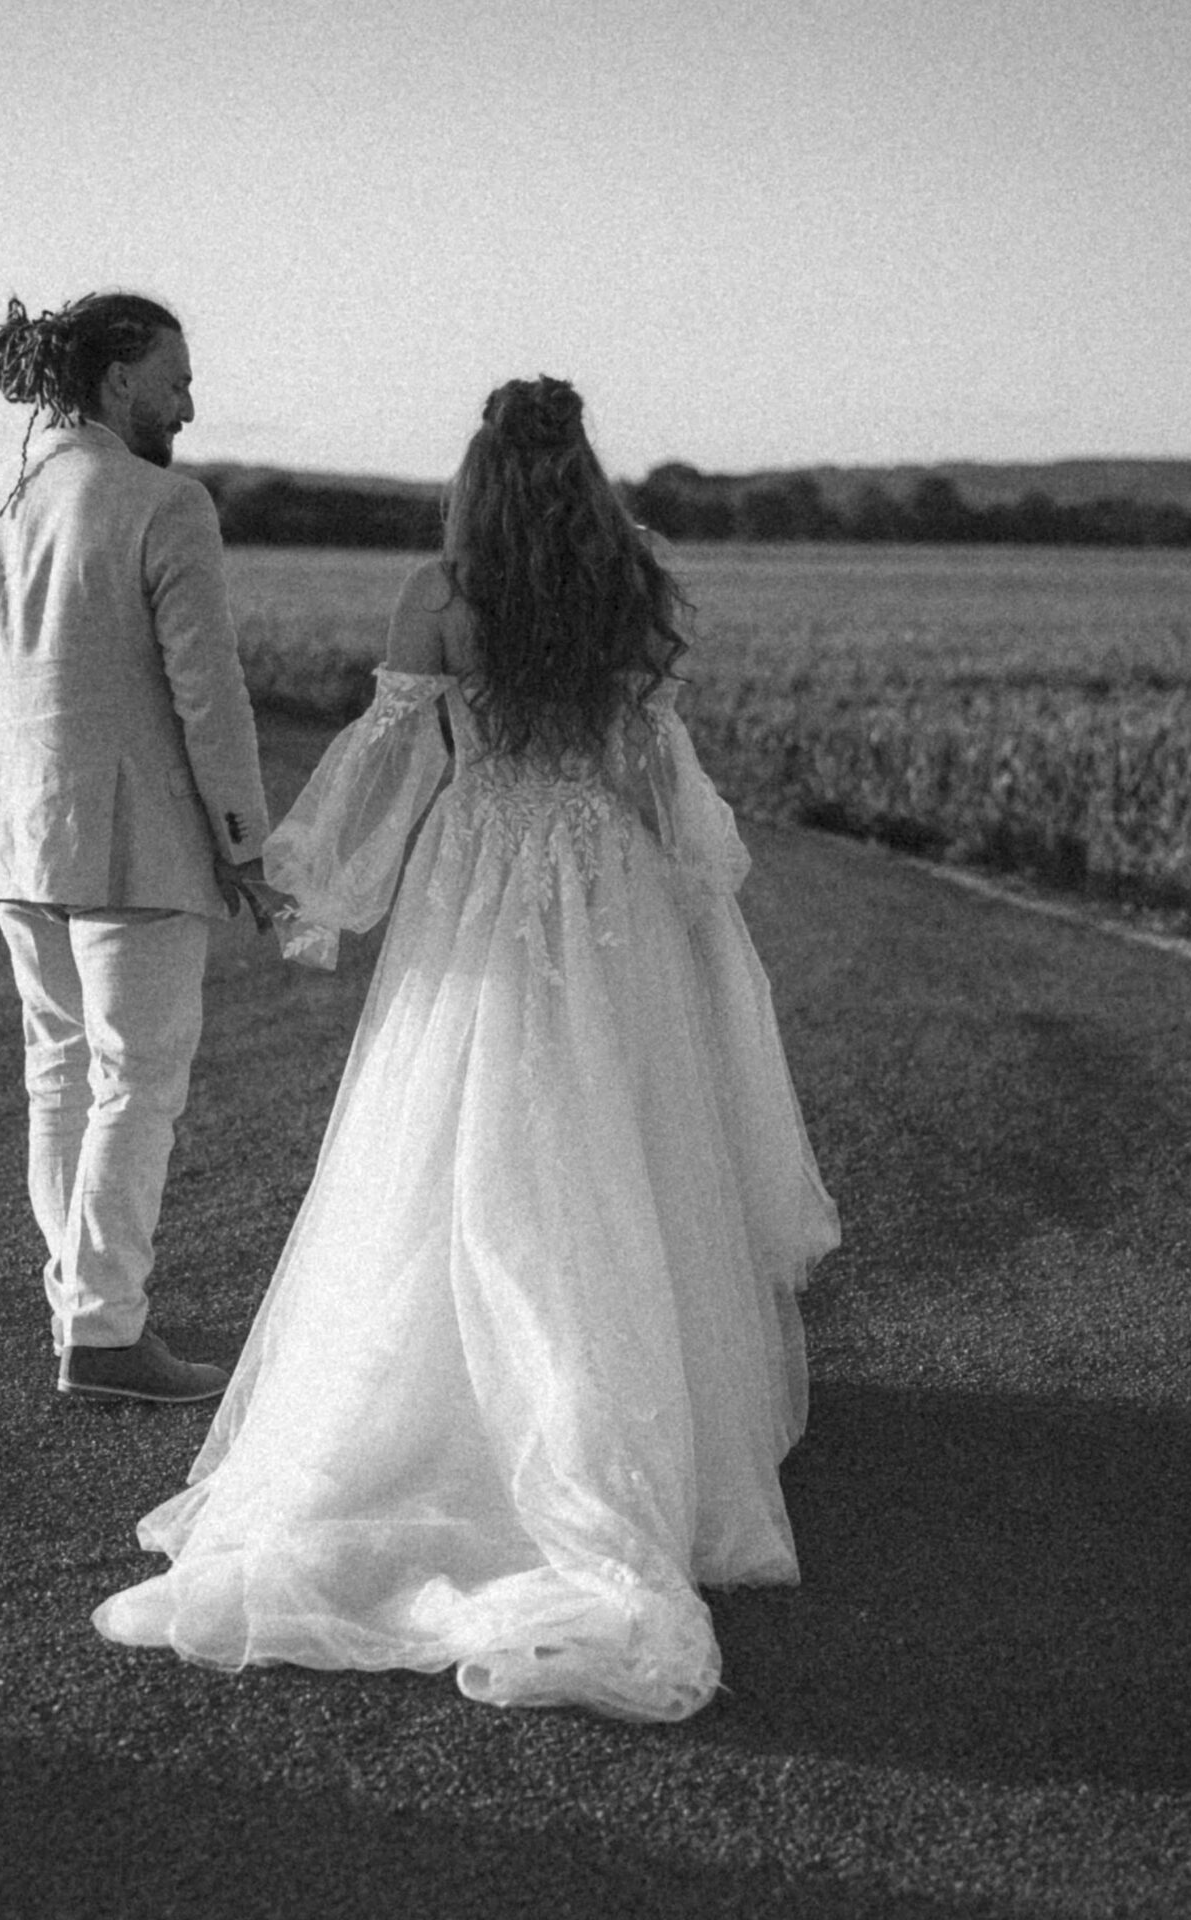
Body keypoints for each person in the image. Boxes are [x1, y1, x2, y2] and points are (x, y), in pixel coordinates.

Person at [94, 377, 840, 1718]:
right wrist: (691, 879)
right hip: (602, 879)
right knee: (617, 1133)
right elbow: (650, 762)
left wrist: (315, 875)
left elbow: (394, 759)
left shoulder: (442, 591)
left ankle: (457, 1410)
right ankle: (631, 1420)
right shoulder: (635, 579)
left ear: (480, 471)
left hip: (482, 875)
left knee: (460, 1134)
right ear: (585, 465)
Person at [0, 291, 276, 1406]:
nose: (189, 400)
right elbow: (206, 692)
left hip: (7, 833)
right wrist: (242, 839)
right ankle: (106, 1332)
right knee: (137, 1080)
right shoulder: (161, 501)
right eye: (175, 378)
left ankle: (80, 1310)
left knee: (59, 1078)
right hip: (134, 834)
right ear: (120, 378)